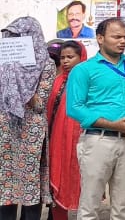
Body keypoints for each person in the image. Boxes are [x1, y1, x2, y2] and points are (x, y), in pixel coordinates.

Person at [65, 17, 125, 220]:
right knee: (90, 205)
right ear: (100, 38)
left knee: (123, 207)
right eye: (116, 37)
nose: (122, 41)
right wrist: (112, 124)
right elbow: (75, 108)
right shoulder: (83, 70)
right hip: (98, 140)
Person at [0, 17, 54, 220]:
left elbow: (40, 105)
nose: (13, 40)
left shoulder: (46, 64)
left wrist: (21, 84)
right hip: (4, 130)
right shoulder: (2, 64)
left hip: (31, 131)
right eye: (10, 36)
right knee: (5, 183)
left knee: (29, 182)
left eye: (18, 36)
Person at [47, 40, 87, 220]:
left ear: (81, 57)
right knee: (59, 181)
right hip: (58, 141)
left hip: (84, 140)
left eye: (70, 57)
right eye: (62, 57)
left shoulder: (89, 81)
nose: (65, 61)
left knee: (84, 184)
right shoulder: (56, 81)